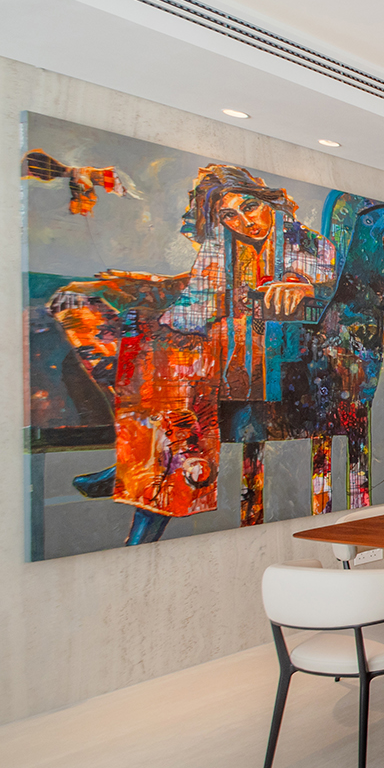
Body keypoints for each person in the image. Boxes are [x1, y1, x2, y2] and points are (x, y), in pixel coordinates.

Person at [49, 165, 336, 543]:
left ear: (266, 202)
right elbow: (195, 300)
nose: (243, 221)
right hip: (201, 325)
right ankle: (135, 456)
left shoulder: (303, 240)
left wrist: (301, 286)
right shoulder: (219, 246)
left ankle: (151, 484)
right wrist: (143, 309)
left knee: (169, 362)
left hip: (251, 339)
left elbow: (326, 275)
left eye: (249, 207)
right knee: (83, 306)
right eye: (229, 215)